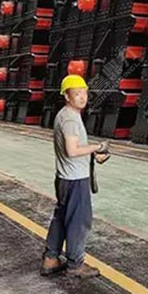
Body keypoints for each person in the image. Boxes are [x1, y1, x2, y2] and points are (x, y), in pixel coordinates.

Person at [41, 74, 109, 278]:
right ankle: (75, 264)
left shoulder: (65, 114)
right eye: (77, 93)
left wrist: (92, 154)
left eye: (84, 93)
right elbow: (72, 151)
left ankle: (51, 259)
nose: (82, 97)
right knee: (79, 221)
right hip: (75, 180)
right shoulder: (70, 119)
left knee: (61, 218)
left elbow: (75, 147)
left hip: (65, 178)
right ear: (67, 96)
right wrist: (97, 147)